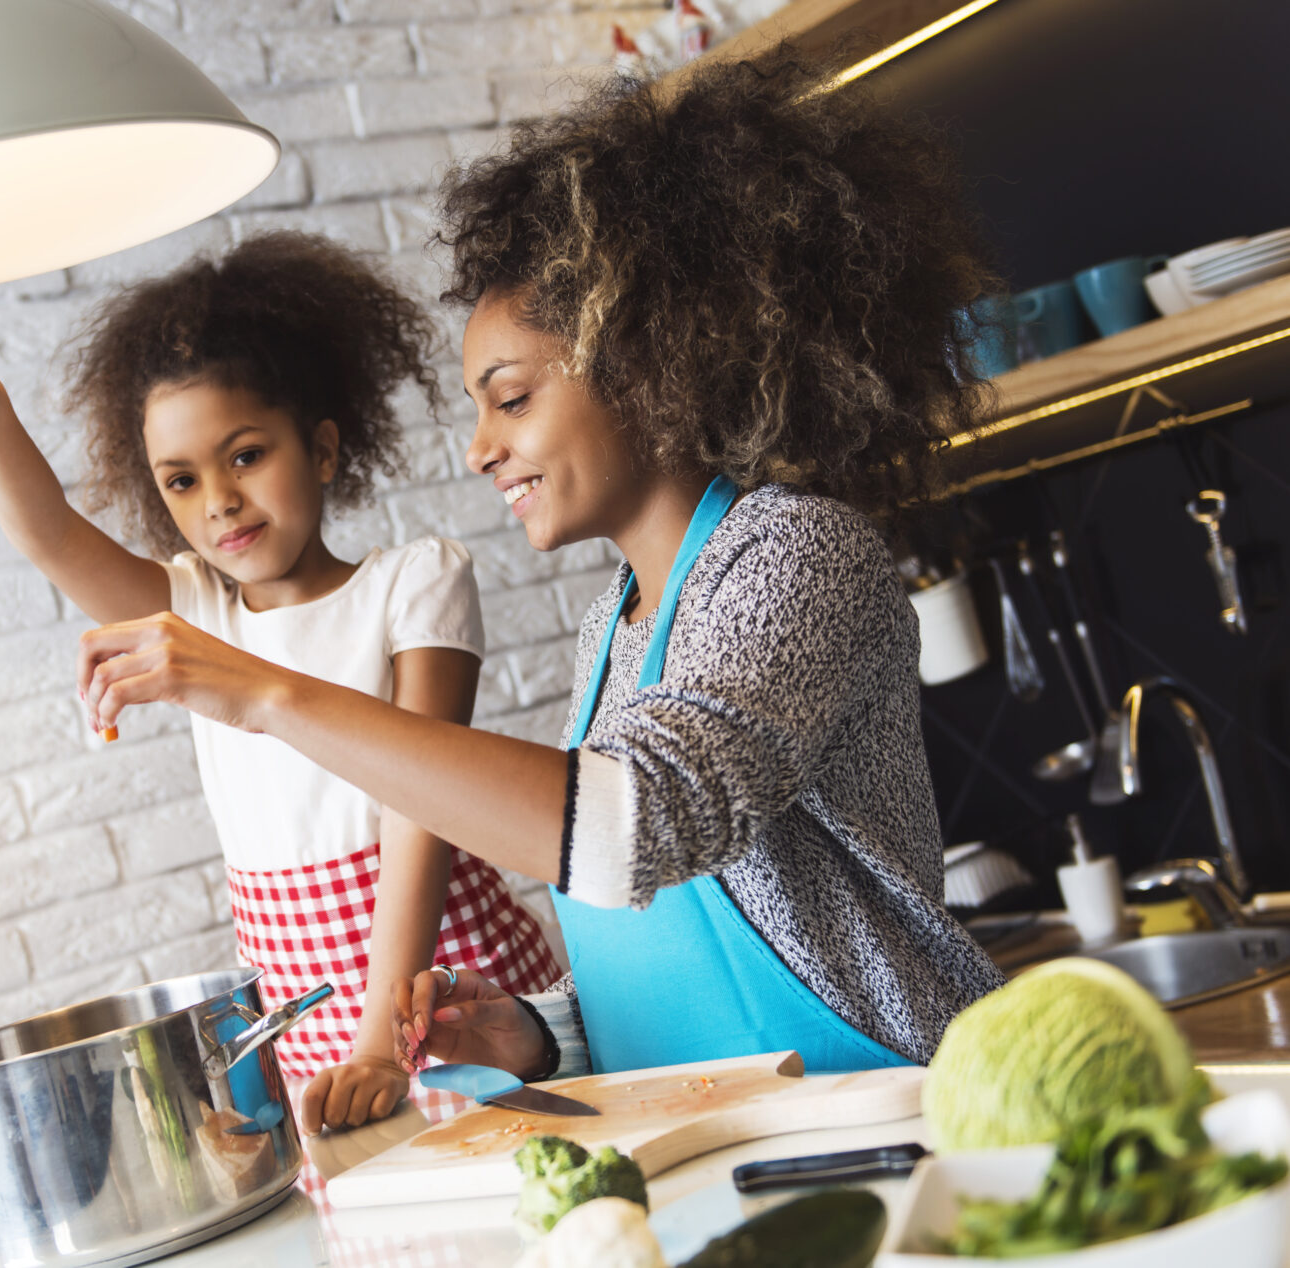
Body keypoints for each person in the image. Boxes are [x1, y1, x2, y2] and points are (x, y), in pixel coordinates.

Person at [70, 53, 1008, 1084]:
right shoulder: (615, 623)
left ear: (651, 367)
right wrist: (536, 1030)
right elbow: (650, 938)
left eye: (509, 399)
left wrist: (264, 692)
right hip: (729, 1133)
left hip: (885, 1111)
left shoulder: (795, 554)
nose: (478, 447)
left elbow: (628, 824)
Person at [0, 232, 560, 1130]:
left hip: (450, 996)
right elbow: (49, 533)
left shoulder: (414, 583)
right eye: (181, 480)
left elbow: (420, 821)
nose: (219, 502)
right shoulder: (192, 611)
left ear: (320, 448)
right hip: (312, 1031)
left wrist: (379, 1038)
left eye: (245, 456)